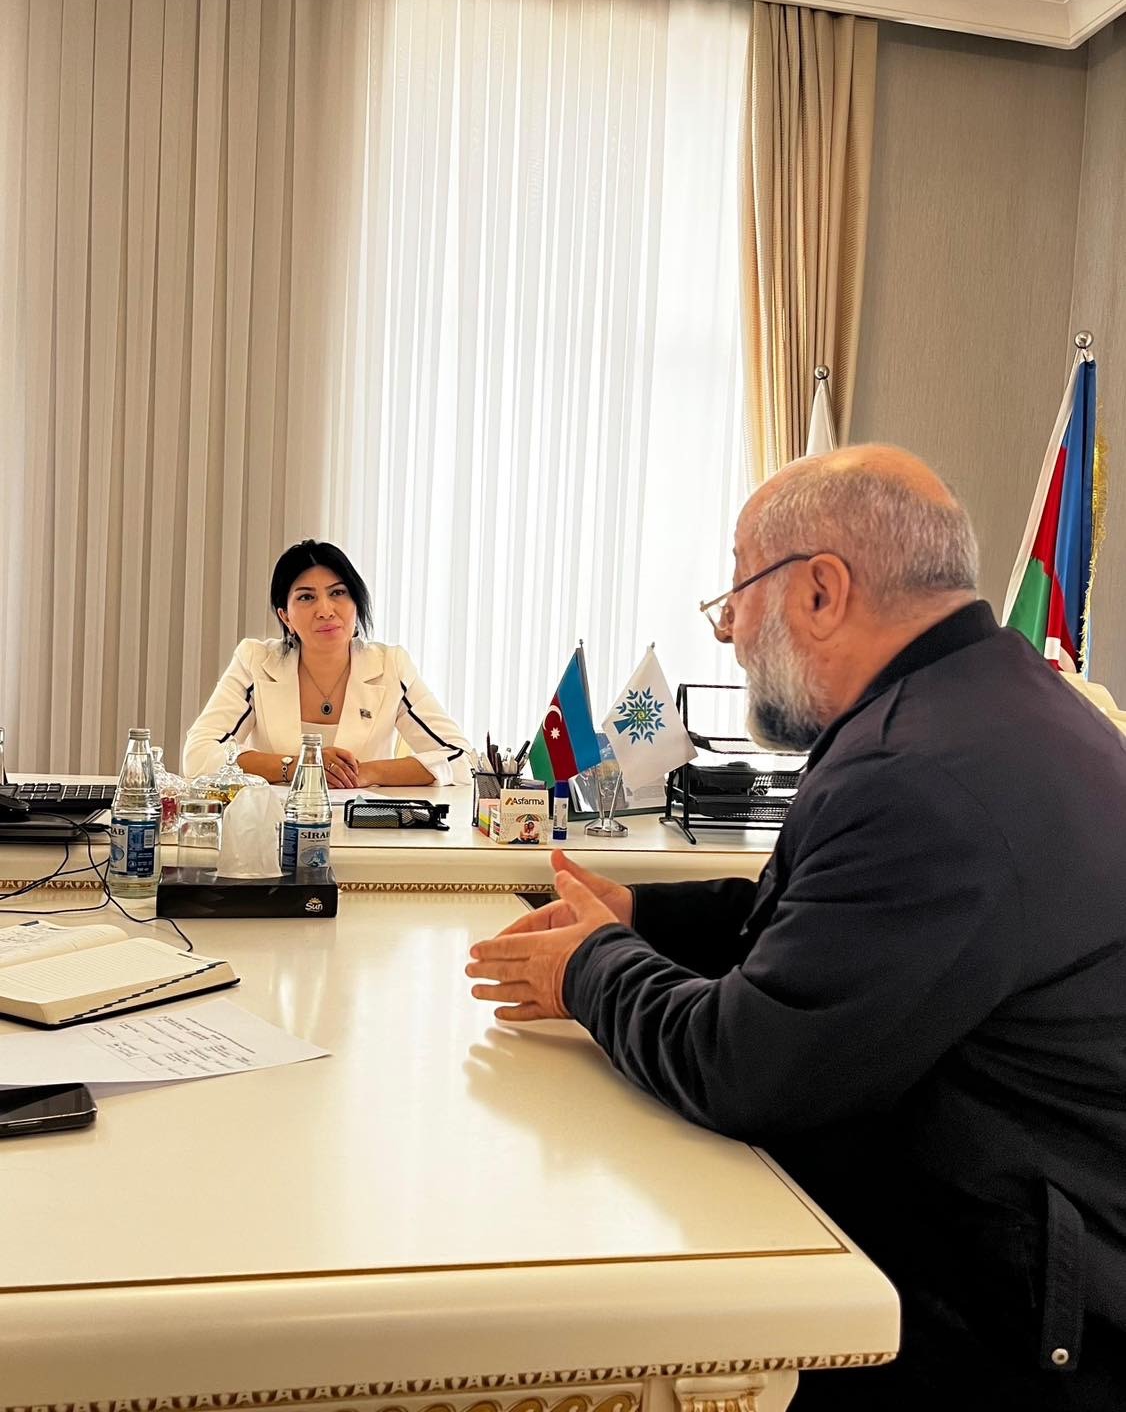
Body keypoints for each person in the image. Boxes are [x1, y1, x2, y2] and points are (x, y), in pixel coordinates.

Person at [465, 446, 1126, 1410]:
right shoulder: (985, 705)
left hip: (995, 1331)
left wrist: (587, 970)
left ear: (821, 591)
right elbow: (827, 923)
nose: (728, 629)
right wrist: (641, 914)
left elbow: (744, 1067)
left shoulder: (920, 774)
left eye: (737, 591)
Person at [183, 540, 472, 789]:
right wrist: (296, 766)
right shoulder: (255, 662)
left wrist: (367, 772)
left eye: (337, 593)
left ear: (356, 603)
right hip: (275, 825)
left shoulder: (390, 666)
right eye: (306, 597)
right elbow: (198, 755)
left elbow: (462, 759)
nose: (325, 610)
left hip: (364, 825)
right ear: (285, 617)